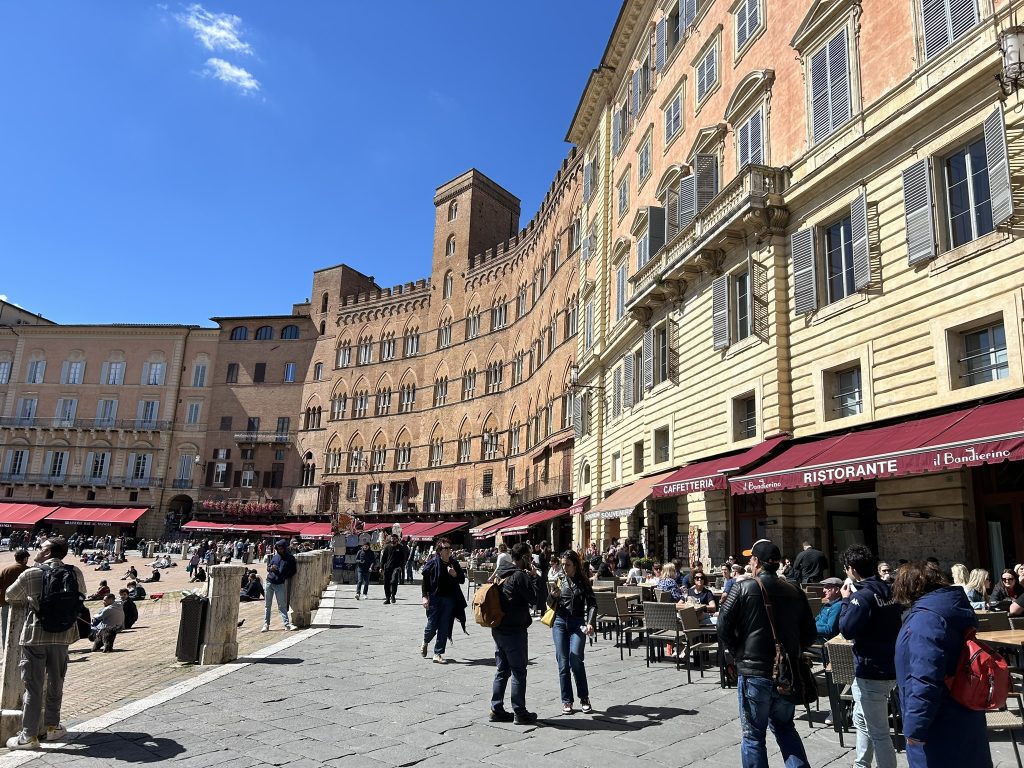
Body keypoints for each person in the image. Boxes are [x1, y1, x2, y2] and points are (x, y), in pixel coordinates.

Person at [716, 539, 815, 768]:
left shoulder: (743, 587)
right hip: (786, 673)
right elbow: (810, 635)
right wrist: (790, 647)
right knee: (785, 727)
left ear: (756, 562)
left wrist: (737, 651)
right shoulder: (794, 590)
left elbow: (722, 626)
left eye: (751, 559)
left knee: (753, 736)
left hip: (754, 672)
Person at [893, 561, 992, 768]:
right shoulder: (948, 609)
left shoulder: (926, 619)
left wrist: (915, 728)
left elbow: (924, 678)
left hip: (940, 724)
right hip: (964, 714)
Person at [4, 537, 86, 749]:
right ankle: (52, 727)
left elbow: (10, 595)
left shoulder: (31, 573)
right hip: (63, 636)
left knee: (33, 686)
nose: (37, 551)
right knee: (56, 681)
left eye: (41, 548)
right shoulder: (75, 572)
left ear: (48, 552)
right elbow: (82, 595)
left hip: (34, 635)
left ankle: (28, 736)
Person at [839, 544, 902, 768]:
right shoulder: (890, 590)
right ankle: (861, 764)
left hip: (872, 668)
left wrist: (846, 600)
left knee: (879, 732)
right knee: (862, 719)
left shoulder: (862, 596)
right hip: (892, 663)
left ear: (852, 569)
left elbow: (846, 629)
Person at [489, 542, 541, 725]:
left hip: (498, 629)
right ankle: (519, 711)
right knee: (519, 671)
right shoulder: (520, 576)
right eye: (529, 556)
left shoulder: (503, 572)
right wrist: (534, 577)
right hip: (514, 630)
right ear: (524, 558)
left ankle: (496, 709)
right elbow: (535, 599)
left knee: (502, 670)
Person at [547, 550, 597, 714]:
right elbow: (548, 603)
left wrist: (590, 623)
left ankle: (584, 697)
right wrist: (553, 596)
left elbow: (592, 604)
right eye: (562, 564)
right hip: (560, 622)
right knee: (562, 662)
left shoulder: (583, 582)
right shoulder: (559, 580)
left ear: (575, 564)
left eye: (567, 565)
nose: (564, 567)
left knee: (575, 659)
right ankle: (567, 700)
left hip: (577, 623)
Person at [420, 537, 466, 663]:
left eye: (449, 548)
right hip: (434, 598)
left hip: (449, 599)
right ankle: (425, 641)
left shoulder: (454, 563)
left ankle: (438, 653)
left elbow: (462, 579)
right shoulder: (432, 563)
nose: (448, 550)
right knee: (431, 626)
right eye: (445, 548)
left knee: (444, 626)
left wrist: (455, 574)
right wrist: (424, 597)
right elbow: (425, 582)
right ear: (439, 550)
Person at [262, 539, 296, 632]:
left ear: (285, 548)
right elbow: (268, 567)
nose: (280, 550)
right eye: (278, 548)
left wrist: (284, 576)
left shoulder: (290, 558)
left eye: (281, 548)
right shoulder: (275, 557)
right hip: (269, 582)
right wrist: (271, 568)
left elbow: (293, 571)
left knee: (282, 605)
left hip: (280, 584)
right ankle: (266, 624)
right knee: (267, 605)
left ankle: (287, 624)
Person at [0, 550, 30, 647]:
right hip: (24, 605)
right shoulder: (29, 571)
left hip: (6, 603)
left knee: (6, 630)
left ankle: (6, 652)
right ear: (25, 559)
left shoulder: (6, 570)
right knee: (23, 630)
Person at [815, 577, 844, 642]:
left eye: (827, 587)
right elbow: (817, 618)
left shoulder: (837, 606)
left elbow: (829, 630)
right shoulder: (827, 605)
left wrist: (810, 628)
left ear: (837, 590)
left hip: (822, 640)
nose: (823, 590)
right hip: (814, 636)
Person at [381, 534, 406, 605]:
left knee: (394, 581)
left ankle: (393, 595)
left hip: (396, 568)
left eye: (394, 538)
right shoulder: (387, 547)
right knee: (386, 583)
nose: (393, 540)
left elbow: (403, 558)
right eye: (392, 538)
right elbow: (383, 558)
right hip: (387, 568)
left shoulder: (400, 547)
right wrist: (381, 567)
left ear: (397, 539)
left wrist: (401, 566)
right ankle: (388, 598)